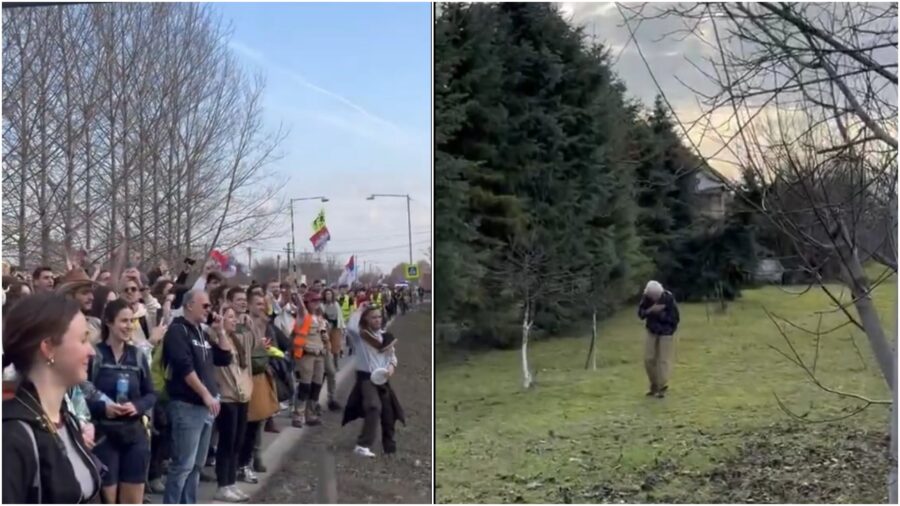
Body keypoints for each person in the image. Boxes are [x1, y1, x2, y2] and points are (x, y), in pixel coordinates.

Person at [2, 293, 102, 503]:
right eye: (83, 339)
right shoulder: (12, 435)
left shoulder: (65, 419)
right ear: (48, 347)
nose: (91, 351)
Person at [161, 289, 233, 504]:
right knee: (182, 465)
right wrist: (205, 394)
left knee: (196, 466)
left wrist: (220, 332)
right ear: (190, 305)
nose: (209, 310)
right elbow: (184, 368)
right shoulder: (177, 331)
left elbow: (224, 357)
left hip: (206, 408)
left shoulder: (201, 332)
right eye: (205, 306)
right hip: (187, 405)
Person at [87, 299, 157, 504]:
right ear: (109, 322)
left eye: (132, 321)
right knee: (107, 499)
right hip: (104, 435)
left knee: (132, 499)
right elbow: (80, 395)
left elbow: (151, 394)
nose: (129, 326)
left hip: (133, 433)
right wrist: (104, 408)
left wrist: (137, 406)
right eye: (124, 321)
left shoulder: (137, 356)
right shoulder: (95, 355)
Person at [342, 306, 404, 458]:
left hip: (382, 378)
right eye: (373, 317)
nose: (377, 320)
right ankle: (362, 445)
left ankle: (389, 448)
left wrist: (391, 366)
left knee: (389, 413)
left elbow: (392, 357)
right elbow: (350, 327)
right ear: (366, 320)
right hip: (366, 378)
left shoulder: (386, 337)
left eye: (378, 317)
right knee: (373, 406)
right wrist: (359, 310)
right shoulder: (361, 337)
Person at [212, 305, 256, 502]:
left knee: (238, 441)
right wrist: (219, 328)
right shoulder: (216, 337)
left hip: (241, 395)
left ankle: (231, 483)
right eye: (230, 317)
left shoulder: (237, 339)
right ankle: (223, 485)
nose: (234, 320)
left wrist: (249, 326)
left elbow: (254, 345)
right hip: (227, 396)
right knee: (227, 442)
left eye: (235, 317)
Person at [637, 280, 680, 398]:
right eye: (652, 296)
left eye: (656, 296)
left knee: (663, 361)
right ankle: (654, 384)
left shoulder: (668, 298)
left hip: (666, 332)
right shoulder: (646, 298)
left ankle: (661, 387)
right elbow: (641, 314)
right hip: (652, 331)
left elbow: (675, 319)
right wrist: (651, 310)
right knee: (648, 359)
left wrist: (660, 314)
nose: (654, 298)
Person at [290, 292, 328, 428]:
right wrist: (297, 294)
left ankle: (310, 414)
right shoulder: (303, 315)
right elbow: (300, 307)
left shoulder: (320, 318)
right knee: (305, 386)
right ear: (307, 302)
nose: (317, 303)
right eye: (313, 301)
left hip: (319, 355)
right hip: (306, 354)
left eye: (318, 301)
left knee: (316, 386)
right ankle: (298, 416)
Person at [321, 288, 344, 411]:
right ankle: (311, 404)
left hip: (327, 345)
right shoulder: (318, 310)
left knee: (331, 372)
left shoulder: (335, 305)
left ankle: (331, 399)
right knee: (317, 377)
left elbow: (339, 319)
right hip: (316, 349)